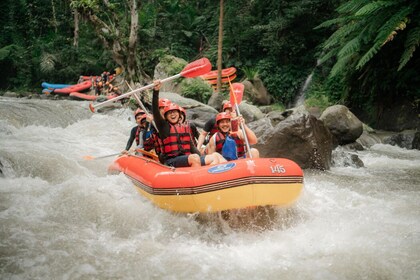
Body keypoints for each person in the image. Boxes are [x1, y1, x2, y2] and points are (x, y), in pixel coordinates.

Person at [152, 80, 226, 168]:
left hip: (186, 158)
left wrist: (201, 157)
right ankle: (200, 179)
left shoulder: (185, 128)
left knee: (215, 156)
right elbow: (155, 111)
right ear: (166, 116)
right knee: (194, 158)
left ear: (179, 115)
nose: (172, 114)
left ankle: (223, 177)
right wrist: (156, 91)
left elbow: (192, 148)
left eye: (175, 112)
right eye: (169, 113)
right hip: (172, 161)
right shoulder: (164, 127)